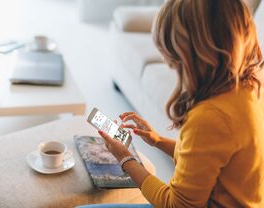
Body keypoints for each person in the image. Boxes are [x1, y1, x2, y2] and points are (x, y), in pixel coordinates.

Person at [78, 0, 264, 207]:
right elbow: (207, 158)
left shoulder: (210, 117)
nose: (174, 71)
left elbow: (176, 205)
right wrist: (158, 141)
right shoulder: (250, 88)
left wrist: (125, 159)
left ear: (194, 56)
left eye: (175, 64)